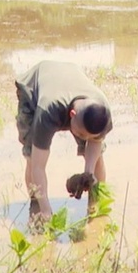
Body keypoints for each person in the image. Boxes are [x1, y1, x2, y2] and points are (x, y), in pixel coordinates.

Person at [15, 60, 112, 221]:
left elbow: (95, 142)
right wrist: (47, 211)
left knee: (98, 159)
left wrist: (88, 174)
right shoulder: (47, 110)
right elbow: (38, 167)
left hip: (70, 74)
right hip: (33, 88)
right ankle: (37, 206)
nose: (85, 140)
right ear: (72, 115)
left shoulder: (102, 111)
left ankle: (96, 206)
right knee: (32, 158)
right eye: (81, 135)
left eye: (89, 136)